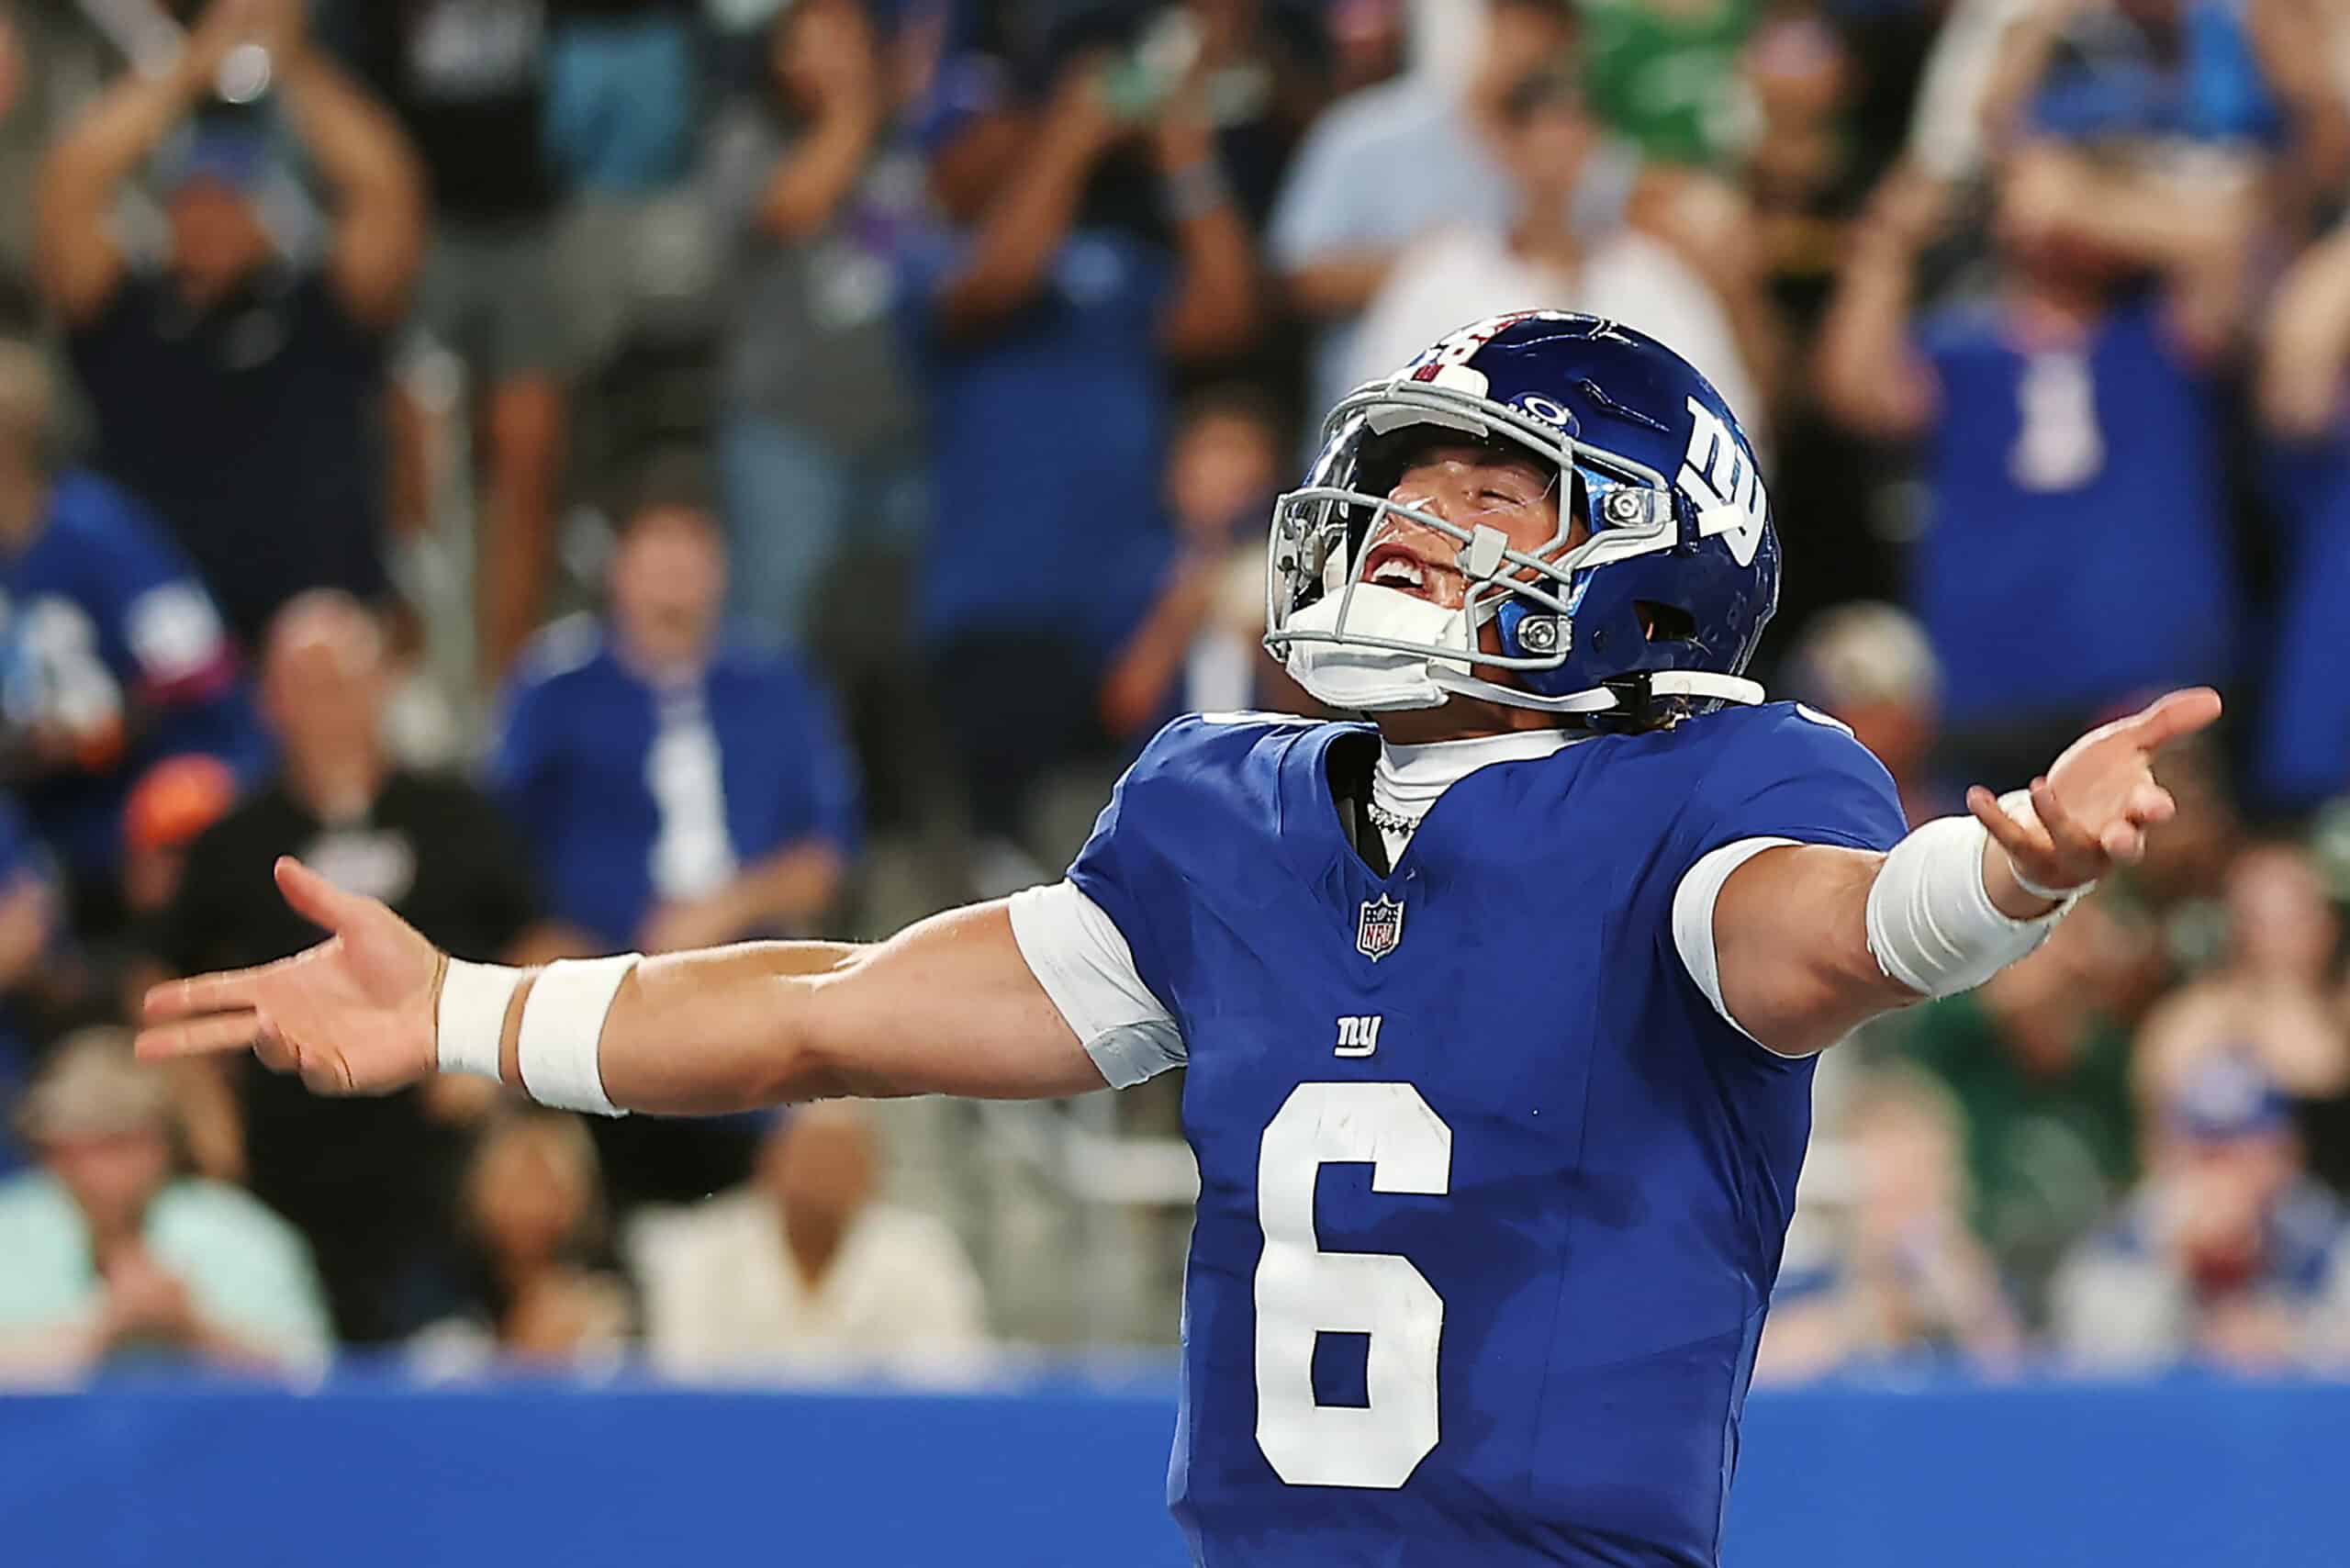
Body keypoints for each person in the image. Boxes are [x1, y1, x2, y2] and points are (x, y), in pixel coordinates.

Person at [139, 312, 2216, 1568]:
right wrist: (470, 1009)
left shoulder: (1712, 785)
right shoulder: (1232, 811)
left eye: (1494, 497)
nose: (1418, 526)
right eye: (1410, 480)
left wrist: (2005, 878)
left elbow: (1823, 943)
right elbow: (829, 1015)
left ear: (1653, 574)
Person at [142, 590, 566, 1344]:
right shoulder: (234, 841)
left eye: (344, 679)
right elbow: (161, 980)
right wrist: (205, 1111)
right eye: (304, 685)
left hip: (438, 1138)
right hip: (284, 1137)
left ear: (385, 685)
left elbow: (542, 940)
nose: (328, 705)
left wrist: (492, 1056)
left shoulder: (460, 817)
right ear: (268, 701)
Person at [901, 40, 1255, 885]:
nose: (988, 146)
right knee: (1008, 875)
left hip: (1127, 609)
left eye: (999, 128)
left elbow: (1227, 313)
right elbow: (1000, 278)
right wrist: (1069, 138)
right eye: (961, 137)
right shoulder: (925, 267)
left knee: (1138, 866)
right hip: (1001, 612)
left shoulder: (1108, 264)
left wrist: (1186, 163)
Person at [1816, 145, 2244, 791]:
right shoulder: (1960, 347)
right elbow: (1855, 393)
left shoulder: (2161, 333)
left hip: (2147, 672)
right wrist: (1889, 244)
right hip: (1990, 685)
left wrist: (2083, 203)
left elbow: (2222, 248)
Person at [488, 475, 859, 1211]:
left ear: (722, 571)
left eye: (693, 561)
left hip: (751, 992)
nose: (675, 586)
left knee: (825, 1126)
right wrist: (540, 940)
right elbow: (493, 842)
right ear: (617, 570)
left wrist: (725, 908)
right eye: (657, 561)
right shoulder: (554, 687)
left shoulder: (777, 685)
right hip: (591, 990)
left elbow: (826, 856)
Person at [35, 0, 425, 648]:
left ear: (265, 209)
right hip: (156, 648)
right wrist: (191, 65)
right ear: (167, 210)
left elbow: (387, 187)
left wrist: (292, 60)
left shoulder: (321, 309)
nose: (210, 216)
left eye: (230, 197)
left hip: (312, 642)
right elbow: (69, 185)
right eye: (193, 198)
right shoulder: (123, 312)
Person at [324, 0, 569, 681]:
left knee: (527, 455)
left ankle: (511, 679)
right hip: (414, 227)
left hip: (527, 220)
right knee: (414, 458)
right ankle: (412, 669)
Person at [0, 340, 267, 907]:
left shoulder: (101, 532)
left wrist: (101, 729)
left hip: (147, 788)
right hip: (32, 823)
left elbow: (198, 676)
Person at [1343, 67, 1759, 422]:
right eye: (1541, 138)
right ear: (1505, 146)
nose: (1555, 162)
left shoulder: (1654, 277)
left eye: (1572, 138)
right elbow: (1381, 407)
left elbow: (1719, 412)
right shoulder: (1439, 275)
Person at [705, 0, 926, 652]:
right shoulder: (747, 137)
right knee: (777, 638)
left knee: (900, 645)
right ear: (780, 61)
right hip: (788, 436)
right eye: (810, 42)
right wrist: (858, 107)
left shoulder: (918, 139)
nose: (831, 57)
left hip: (905, 435)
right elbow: (791, 207)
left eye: (844, 37)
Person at [0, 1027, 331, 1378]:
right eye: (73, 1149)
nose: (96, 1170)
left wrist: (190, 1328)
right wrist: (107, 1326)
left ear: (161, 1145)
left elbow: (314, 1378)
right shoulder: (11, 1228)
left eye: (119, 1144)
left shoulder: (243, 1235)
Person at [635, 1102, 988, 1378]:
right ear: (769, 1164)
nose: (824, 1176)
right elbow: (682, 1375)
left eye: (842, 1160)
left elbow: (951, 1376)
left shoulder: (923, 1256)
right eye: (812, 1158)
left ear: (872, 1173)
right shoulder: (702, 1252)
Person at [2051, 1054, 2350, 1371]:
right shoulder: (2125, 1237)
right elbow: (2087, 1353)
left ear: (2287, 1155)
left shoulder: (2321, 1232)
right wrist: (2177, 1266)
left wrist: (2290, 1338)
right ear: (2164, 1156)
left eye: (2243, 1148)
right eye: (2206, 1150)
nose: (2223, 1172)